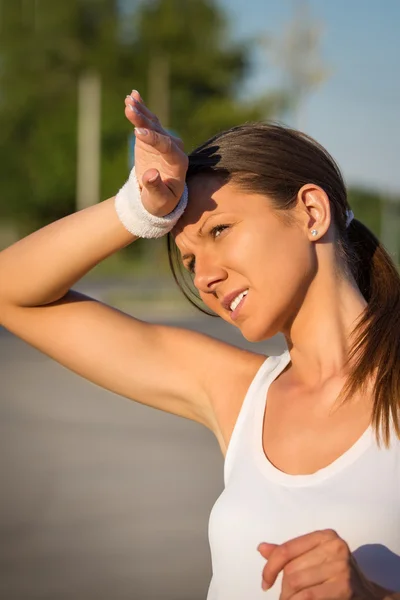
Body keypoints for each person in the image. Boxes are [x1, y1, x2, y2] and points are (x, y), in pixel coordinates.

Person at [0, 89, 399, 600]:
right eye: (188, 261)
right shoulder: (234, 391)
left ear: (311, 212)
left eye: (220, 230)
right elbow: (14, 294)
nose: (206, 276)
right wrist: (140, 209)